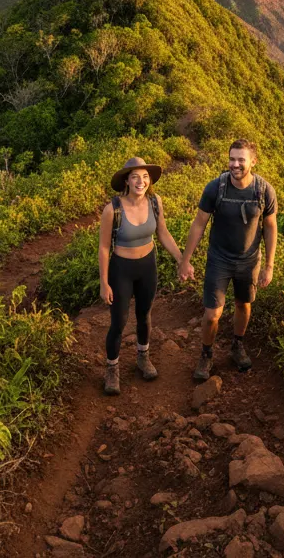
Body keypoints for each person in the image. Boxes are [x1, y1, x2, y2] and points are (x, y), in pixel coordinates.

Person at [177, 138, 277, 380]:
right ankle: (207, 353)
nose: (235, 164)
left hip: (249, 261)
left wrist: (269, 266)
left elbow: (270, 227)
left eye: (241, 160)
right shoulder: (215, 188)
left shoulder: (264, 191)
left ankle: (237, 344)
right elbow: (199, 224)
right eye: (232, 159)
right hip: (219, 259)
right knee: (212, 314)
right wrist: (185, 260)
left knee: (244, 305)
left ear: (253, 162)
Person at [99, 156, 183, 395]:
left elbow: (163, 233)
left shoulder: (155, 202)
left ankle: (143, 357)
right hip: (121, 269)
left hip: (148, 265)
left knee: (144, 314)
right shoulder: (112, 209)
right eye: (135, 176)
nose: (141, 181)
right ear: (126, 180)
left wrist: (181, 259)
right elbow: (104, 248)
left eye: (145, 176)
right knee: (119, 321)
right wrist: (104, 283)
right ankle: (112, 369)